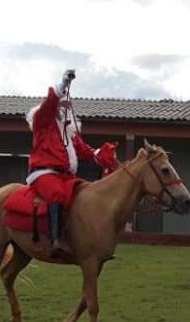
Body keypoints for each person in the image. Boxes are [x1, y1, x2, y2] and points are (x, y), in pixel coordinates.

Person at [24, 69, 119, 254]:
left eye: (66, 106)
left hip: (65, 176)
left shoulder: (70, 134)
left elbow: (87, 151)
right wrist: (63, 85)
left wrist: (103, 155)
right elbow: (48, 106)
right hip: (43, 174)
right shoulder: (42, 123)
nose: (64, 108)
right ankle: (56, 240)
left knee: (88, 194)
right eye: (61, 105)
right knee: (57, 193)